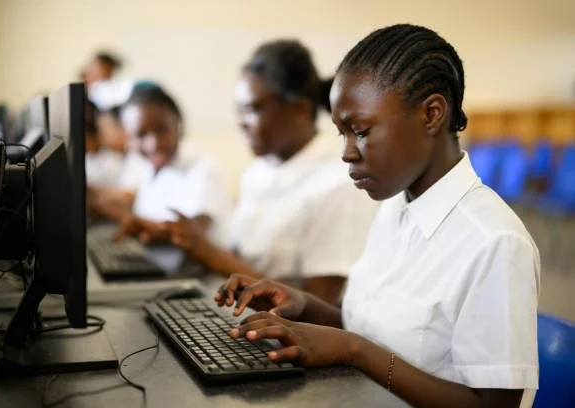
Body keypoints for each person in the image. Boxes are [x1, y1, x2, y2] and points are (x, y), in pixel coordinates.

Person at [214, 24, 540, 408]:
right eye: (342, 134)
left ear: (432, 114)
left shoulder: (494, 243)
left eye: (361, 131)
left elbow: (492, 405)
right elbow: (368, 327)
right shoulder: (394, 207)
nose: (347, 153)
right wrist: (302, 305)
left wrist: (355, 351)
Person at [117, 40, 377, 304]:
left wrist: (206, 251)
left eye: (252, 109)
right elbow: (239, 259)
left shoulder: (339, 184)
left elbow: (320, 305)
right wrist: (175, 236)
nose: (241, 122)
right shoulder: (258, 172)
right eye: (239, 110)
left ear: (299, 108)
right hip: (239, 313)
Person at [111, 85, 232, 247]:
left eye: (162, 130)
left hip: (202, 270)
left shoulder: (203, 169)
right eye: (141, 134)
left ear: (179, 126)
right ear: (129, 138)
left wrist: (150, 229)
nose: (153, 143)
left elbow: (196, 230)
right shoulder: (149, 167)